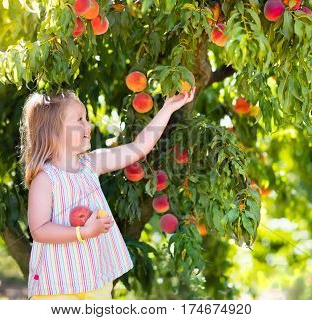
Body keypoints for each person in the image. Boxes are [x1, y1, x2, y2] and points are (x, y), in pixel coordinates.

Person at [19, 86, 196, 300]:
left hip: (95, 279)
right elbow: (39, 230)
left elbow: (138, 148)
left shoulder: (91, 164)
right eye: (79, 120)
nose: (88, 125)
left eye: (86, 118)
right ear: (54, 131)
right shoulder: (45, 179)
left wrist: (168, 108)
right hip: (58, 284)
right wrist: (82, 233)